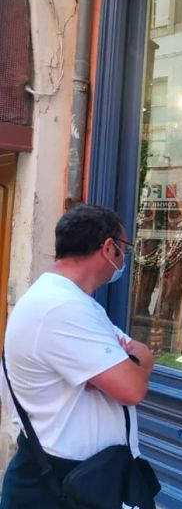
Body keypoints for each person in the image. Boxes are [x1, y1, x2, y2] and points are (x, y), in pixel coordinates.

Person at [0, 204, 155, 508]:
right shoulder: (61, 308)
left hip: (80, 478)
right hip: (57, 484)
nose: (123, 260)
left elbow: (145, 355)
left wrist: (119, 369)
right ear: (109, 248)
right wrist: (120, 369)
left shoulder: (76, 303)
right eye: (124, 249)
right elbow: (133, 389)